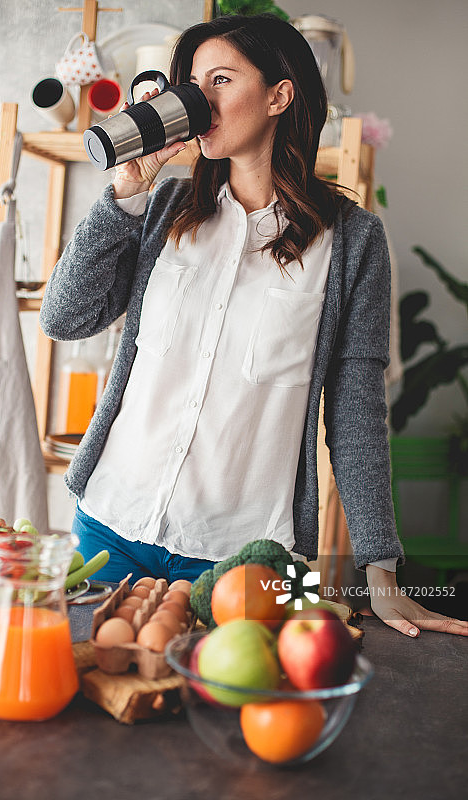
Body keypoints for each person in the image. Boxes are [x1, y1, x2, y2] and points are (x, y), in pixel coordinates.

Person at [40, 14, 468, 639]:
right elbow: (65, 316)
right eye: (191, 83)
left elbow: (354, 412)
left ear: (279, 95)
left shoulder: (352, 243)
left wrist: (379, 569)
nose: (198, 100)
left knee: (237, 717)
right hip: (108, 525)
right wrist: (126, 191)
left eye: (220, 79)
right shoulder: (162, 209)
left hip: (249, 561)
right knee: (88, 702)